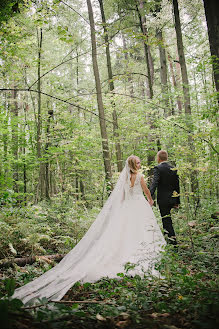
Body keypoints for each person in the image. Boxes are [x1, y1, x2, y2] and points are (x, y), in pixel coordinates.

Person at [13, 155, 166, 305]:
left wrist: (120, 209)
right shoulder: (139, 176)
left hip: (127, 207)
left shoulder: (124, 178)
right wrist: (150, 200)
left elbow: (122, 196)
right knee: (139, 231)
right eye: (138, 163)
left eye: (139, 163)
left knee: (128, 232)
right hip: (138, 206)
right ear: (133, 164)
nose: (139, 165)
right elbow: (146, 190)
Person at [150, 150, 180, 246]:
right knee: (168, 220)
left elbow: (155, 183)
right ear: (166, 158)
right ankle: (169, 239)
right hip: (172, 198)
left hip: (163, 200)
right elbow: (177, 185)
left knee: (166, 220)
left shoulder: (158, 168)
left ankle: (173, 243)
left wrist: (149, 196)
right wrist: (177, 201)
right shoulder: (173, 168)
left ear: (158, 158)